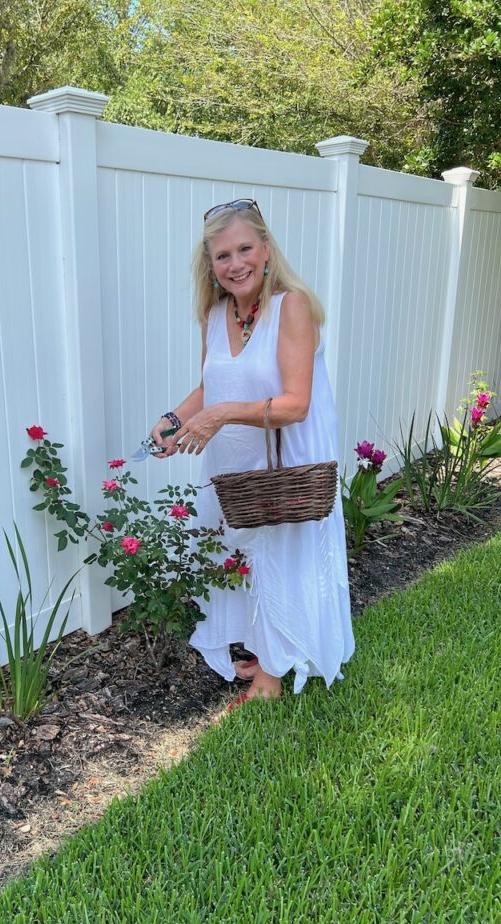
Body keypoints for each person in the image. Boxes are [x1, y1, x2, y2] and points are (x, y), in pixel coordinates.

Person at [150, 198, 354, 704]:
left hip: (281, 463)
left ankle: (273, 674)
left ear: (266, 249)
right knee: (234, 552)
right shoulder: (215, 313)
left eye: (244, 249)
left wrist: (219, 416)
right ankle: (255, 650)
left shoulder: (292, 306)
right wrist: (176, 420)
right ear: (210, 265)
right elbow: (211, 385)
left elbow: (295, 404)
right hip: (232, 461)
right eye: (222, 255)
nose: (235, 263)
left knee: (275, 554)